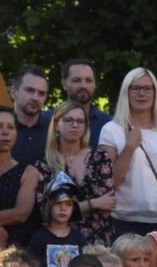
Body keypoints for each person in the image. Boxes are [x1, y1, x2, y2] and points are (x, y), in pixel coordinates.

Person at [100, 67, 157, 237]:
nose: (142, 93)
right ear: (126, 92)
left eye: (147, 88)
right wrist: (130, 147)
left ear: (155, 93)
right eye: (136, 88)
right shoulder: (111, 130)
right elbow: (109, 184)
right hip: (125, 223)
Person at [36, 101, 117, 246]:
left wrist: (67, 208)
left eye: (80, 121)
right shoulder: (45, 165)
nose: (75, 125)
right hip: (60, 242)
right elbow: (46, 211)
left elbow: (107, 204)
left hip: (98, 240)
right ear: (56, 125)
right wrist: (93, 203)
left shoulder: (99, 158)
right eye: (68, 120)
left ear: (86, 127)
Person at [28, 174, 86, 267]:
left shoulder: (79, 239)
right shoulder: (39, 238)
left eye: (68, 204)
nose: (63, 208)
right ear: (49, 205)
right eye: (58, 203)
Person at [0, 106, 40, 248]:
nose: (5, 132)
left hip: (15, 251)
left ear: (16, 134)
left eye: (10, 127)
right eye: (0, 126)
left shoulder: (29, 172)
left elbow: (20, 214)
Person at [50, 59, 112, 147]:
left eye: (88, 80)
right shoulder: (49, 120)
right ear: (64, 84)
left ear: (95, 84)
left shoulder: (108, 124)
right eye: (76, 80)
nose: (83, 85)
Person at [9, 64, 50, 166]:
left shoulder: (54, 131)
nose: (35, 98)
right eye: (29, 90)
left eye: (41, 93)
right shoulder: (2, 128)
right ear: (14, 92)